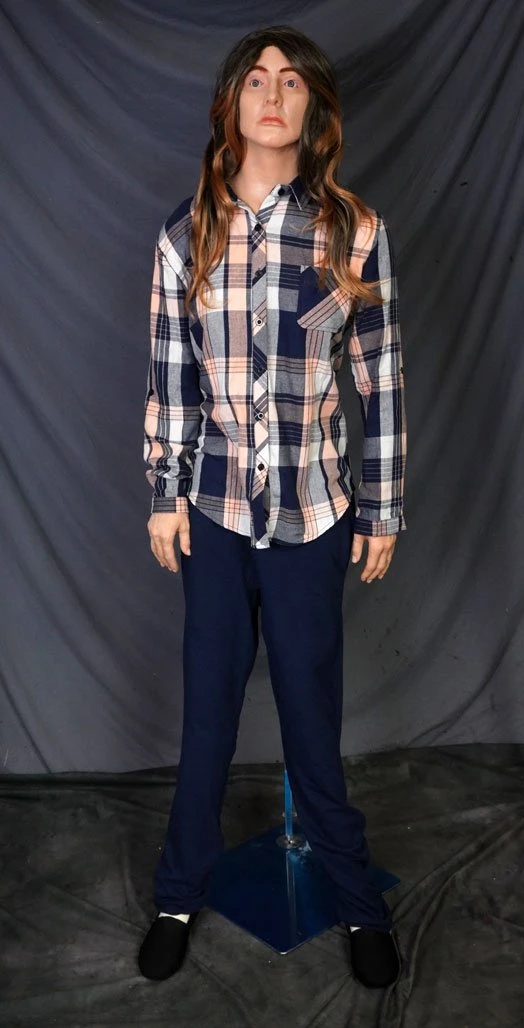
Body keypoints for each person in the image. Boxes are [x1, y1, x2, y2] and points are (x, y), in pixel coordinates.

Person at [139, 24, 407, 990]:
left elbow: (381, 380)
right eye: (256, 79)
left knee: (311, 719)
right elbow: (170, 378)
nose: (273, 94)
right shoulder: (186, 235)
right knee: (207, 718)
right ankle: (178, 894)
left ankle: (357, 900)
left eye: (291, 81)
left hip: (314, 517)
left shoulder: (355, 232)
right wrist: (164, 495)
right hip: (213, 516)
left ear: (313, 108)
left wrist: (382, 509)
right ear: (232, 104)